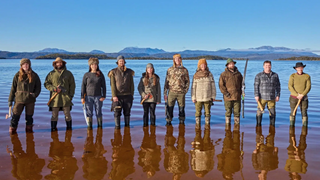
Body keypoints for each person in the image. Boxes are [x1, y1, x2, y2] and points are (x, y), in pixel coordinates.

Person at [8, 58, 41, 134]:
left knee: (29, 118)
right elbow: (13, 88)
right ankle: (12, 134)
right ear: (21, 66)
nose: (25, 66)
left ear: (29, 65)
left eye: (27, 64)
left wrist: (34, 95)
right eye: (24, 64)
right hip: (19, 100)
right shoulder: (17, 75)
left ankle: (29, 135)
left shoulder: (34, 75)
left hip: (30, 100)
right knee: (15, 118)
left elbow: (38, 87)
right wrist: (10, 100)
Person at [44, 57, 75, 131]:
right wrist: (54, 89)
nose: (59, 64)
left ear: (63, 63)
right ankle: (53, 131)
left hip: (66, 98)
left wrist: (70, 96)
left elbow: (72, 85)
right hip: (55, 99)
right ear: (55, 64)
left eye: (61, 62)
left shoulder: (68, 73)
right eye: (57, 63)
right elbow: (46, 84)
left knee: (68, 115)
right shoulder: (51, 74)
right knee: (54, 116)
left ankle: (69, 131)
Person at [108, 55, 135, 129]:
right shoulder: (113, 72)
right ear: (117, 62)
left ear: (124, 62)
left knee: (127, 113)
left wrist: (132, 94)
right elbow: (112, 85)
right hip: (117, 96)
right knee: (117, 113)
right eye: (120, 61)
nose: (121, 62)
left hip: (128, 95)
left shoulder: (129, 72)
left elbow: (132, 84)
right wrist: (114, 96)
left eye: (122, 61)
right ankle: (117, 128)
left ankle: (127, 128)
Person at [164, 54, 190, 125]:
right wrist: (165, 93)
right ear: (174, 60)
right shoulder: (170, 70)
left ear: (181, 59)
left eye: (179, 59)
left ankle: (181, 123)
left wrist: (185, 91)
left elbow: (187, 81)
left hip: (181, 93)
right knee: (169, 108)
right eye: (176, 59)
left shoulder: (184, 70)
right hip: (171, 92)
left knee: (181, 108)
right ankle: (169, 123)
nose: (177, 60)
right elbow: (166, 82)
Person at [81, 57, 106, 129]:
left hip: (98, 96)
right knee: (89, 112)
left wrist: (103, 96)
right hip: (88, 97)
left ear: (97, 65)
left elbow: (104, 86)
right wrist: (82, 97)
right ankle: (90, 128)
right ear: (90, 66)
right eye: (92, 64)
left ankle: (100, 127)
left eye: (95, 64)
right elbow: (83, 86)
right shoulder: (86, 75)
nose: (94, 66)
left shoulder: (100, 75)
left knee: (98, 112)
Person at [254, 60, 281, 126]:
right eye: (266, 66)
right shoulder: (259, 75)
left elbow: (278, 86)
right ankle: (258, 127)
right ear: (263, 66)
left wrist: (278, 95)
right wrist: (256, 95)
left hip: (272, 97)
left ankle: (272, 128)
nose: (267, 67)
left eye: (269, 65)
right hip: (261, 97)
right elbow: (256, 86)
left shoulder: (275, 75)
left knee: (272, 113)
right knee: (259, 113)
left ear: (271, 66)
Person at [191, 58, 216, 128]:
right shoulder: (196, 75)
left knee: (207, 113)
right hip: (198, 98)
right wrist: (193, 97)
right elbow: (193, 87)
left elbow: (213, 86)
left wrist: (213, 96)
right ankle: (197, 127)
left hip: (207, 97)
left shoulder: (210, 74)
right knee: (198, 113)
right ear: (199, 66)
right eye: (201, 65)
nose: (203, 66)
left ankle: (207, 127)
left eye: (204, 65)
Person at [219, 58, 243, 124]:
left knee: (237, 112)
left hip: (237, 96)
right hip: (228, 97)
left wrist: (242, 92)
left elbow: (242, 84)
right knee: (228, 112)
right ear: (227, 65)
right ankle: (227, 128)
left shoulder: (239, 74)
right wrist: (226, 93)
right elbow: (221, 85)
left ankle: (237, 127)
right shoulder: (223, 74)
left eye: (232, 64)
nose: (232, 65)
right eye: (230, 64)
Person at [288, 62, 311, 126]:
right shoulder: (292, 76)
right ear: (296, 69)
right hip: (293, 97)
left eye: (301, 68)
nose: (300, 69)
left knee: (304, 112)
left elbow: (308, 87)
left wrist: (302, 95)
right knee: (293, 112)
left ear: (303, 68)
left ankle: (304, 128)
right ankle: (291, 129)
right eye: (298, 68)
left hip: (304, 98)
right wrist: (297, 95)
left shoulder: (307, 76)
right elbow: (290, 86)